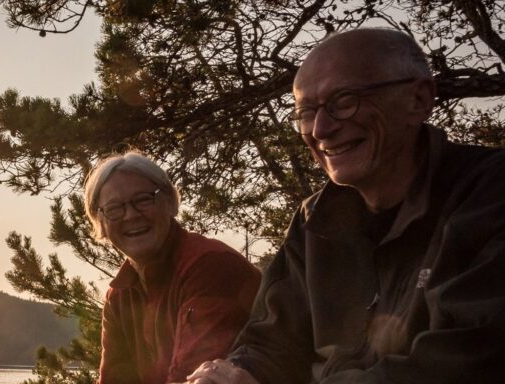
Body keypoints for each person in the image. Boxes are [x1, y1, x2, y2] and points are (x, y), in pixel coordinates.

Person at [186, 28, 505, 384]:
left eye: (344, 100)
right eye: (306, 111)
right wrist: (235, 374)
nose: (321, 129)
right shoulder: (313, 222)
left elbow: (467, 361)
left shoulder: (489, 193)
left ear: (418, 99)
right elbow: (270, 343)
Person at [84, 151, 261, 384]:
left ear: (169, 202)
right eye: (115, 208)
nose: (131, 215)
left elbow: (194, 378)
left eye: (143, 200)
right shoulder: (119, 296)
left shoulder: (211, 267)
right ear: (100, 222)